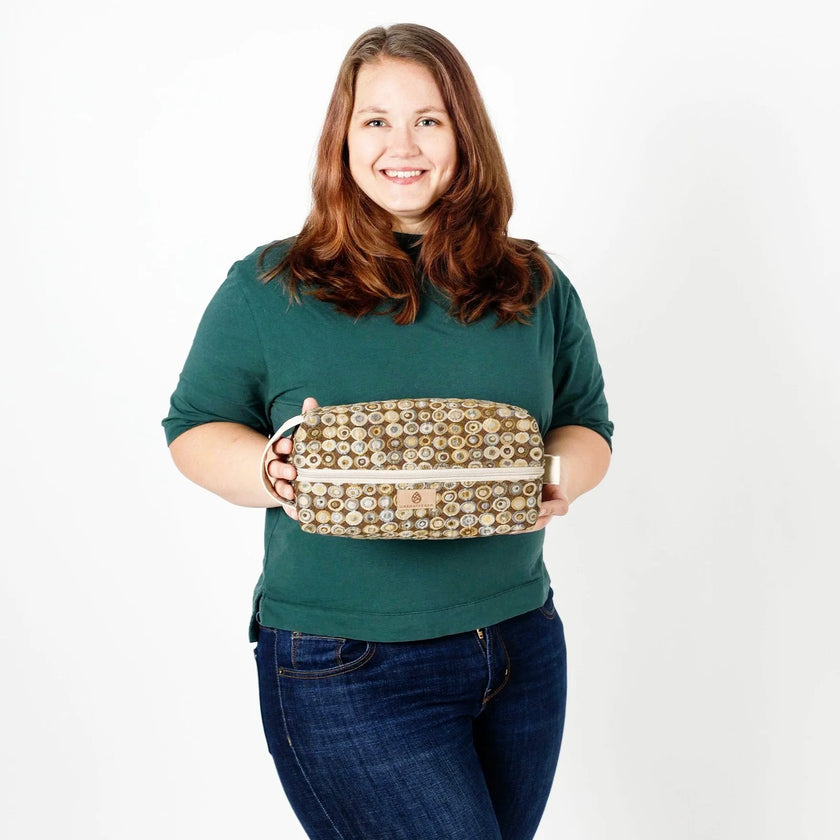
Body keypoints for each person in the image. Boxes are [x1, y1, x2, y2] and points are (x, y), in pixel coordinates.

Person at [163, 22, 613, 840]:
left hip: (520, 646)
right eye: (375, 120)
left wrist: (558, 477)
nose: (401, 146)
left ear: (464, 135)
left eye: (428, 120)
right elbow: (194, 427)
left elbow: (585, 423)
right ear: (343, 138)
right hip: (346, 664)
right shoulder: (271, 285)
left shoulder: (533, 282)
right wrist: (269, 469)